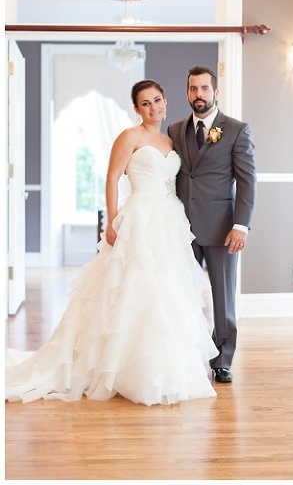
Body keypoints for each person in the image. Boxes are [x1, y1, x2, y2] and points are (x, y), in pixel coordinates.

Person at [6, 79, 219, 406]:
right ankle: (118, 368)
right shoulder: (129, 136)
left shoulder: (171, 139)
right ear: (136, 108)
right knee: (133, 288)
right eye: (145, 103)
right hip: (139, 218)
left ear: (165, 101)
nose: (153, 107)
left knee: (166, 291)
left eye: (157, 100)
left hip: (170, 220)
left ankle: (160, 369)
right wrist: (112, 219)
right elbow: (112, 176)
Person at [167, 66, 257, 384]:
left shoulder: (236, 130)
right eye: (193, 89)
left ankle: (222, 361)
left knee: (223, 297)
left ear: (216, 92)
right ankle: (186, 356)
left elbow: (247, 181)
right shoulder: (175, 129)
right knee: (181, 294)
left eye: (204, 88)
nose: (199, 94)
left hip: (221, 229)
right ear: (187, 93)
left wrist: (241, 225)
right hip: (182, 228)